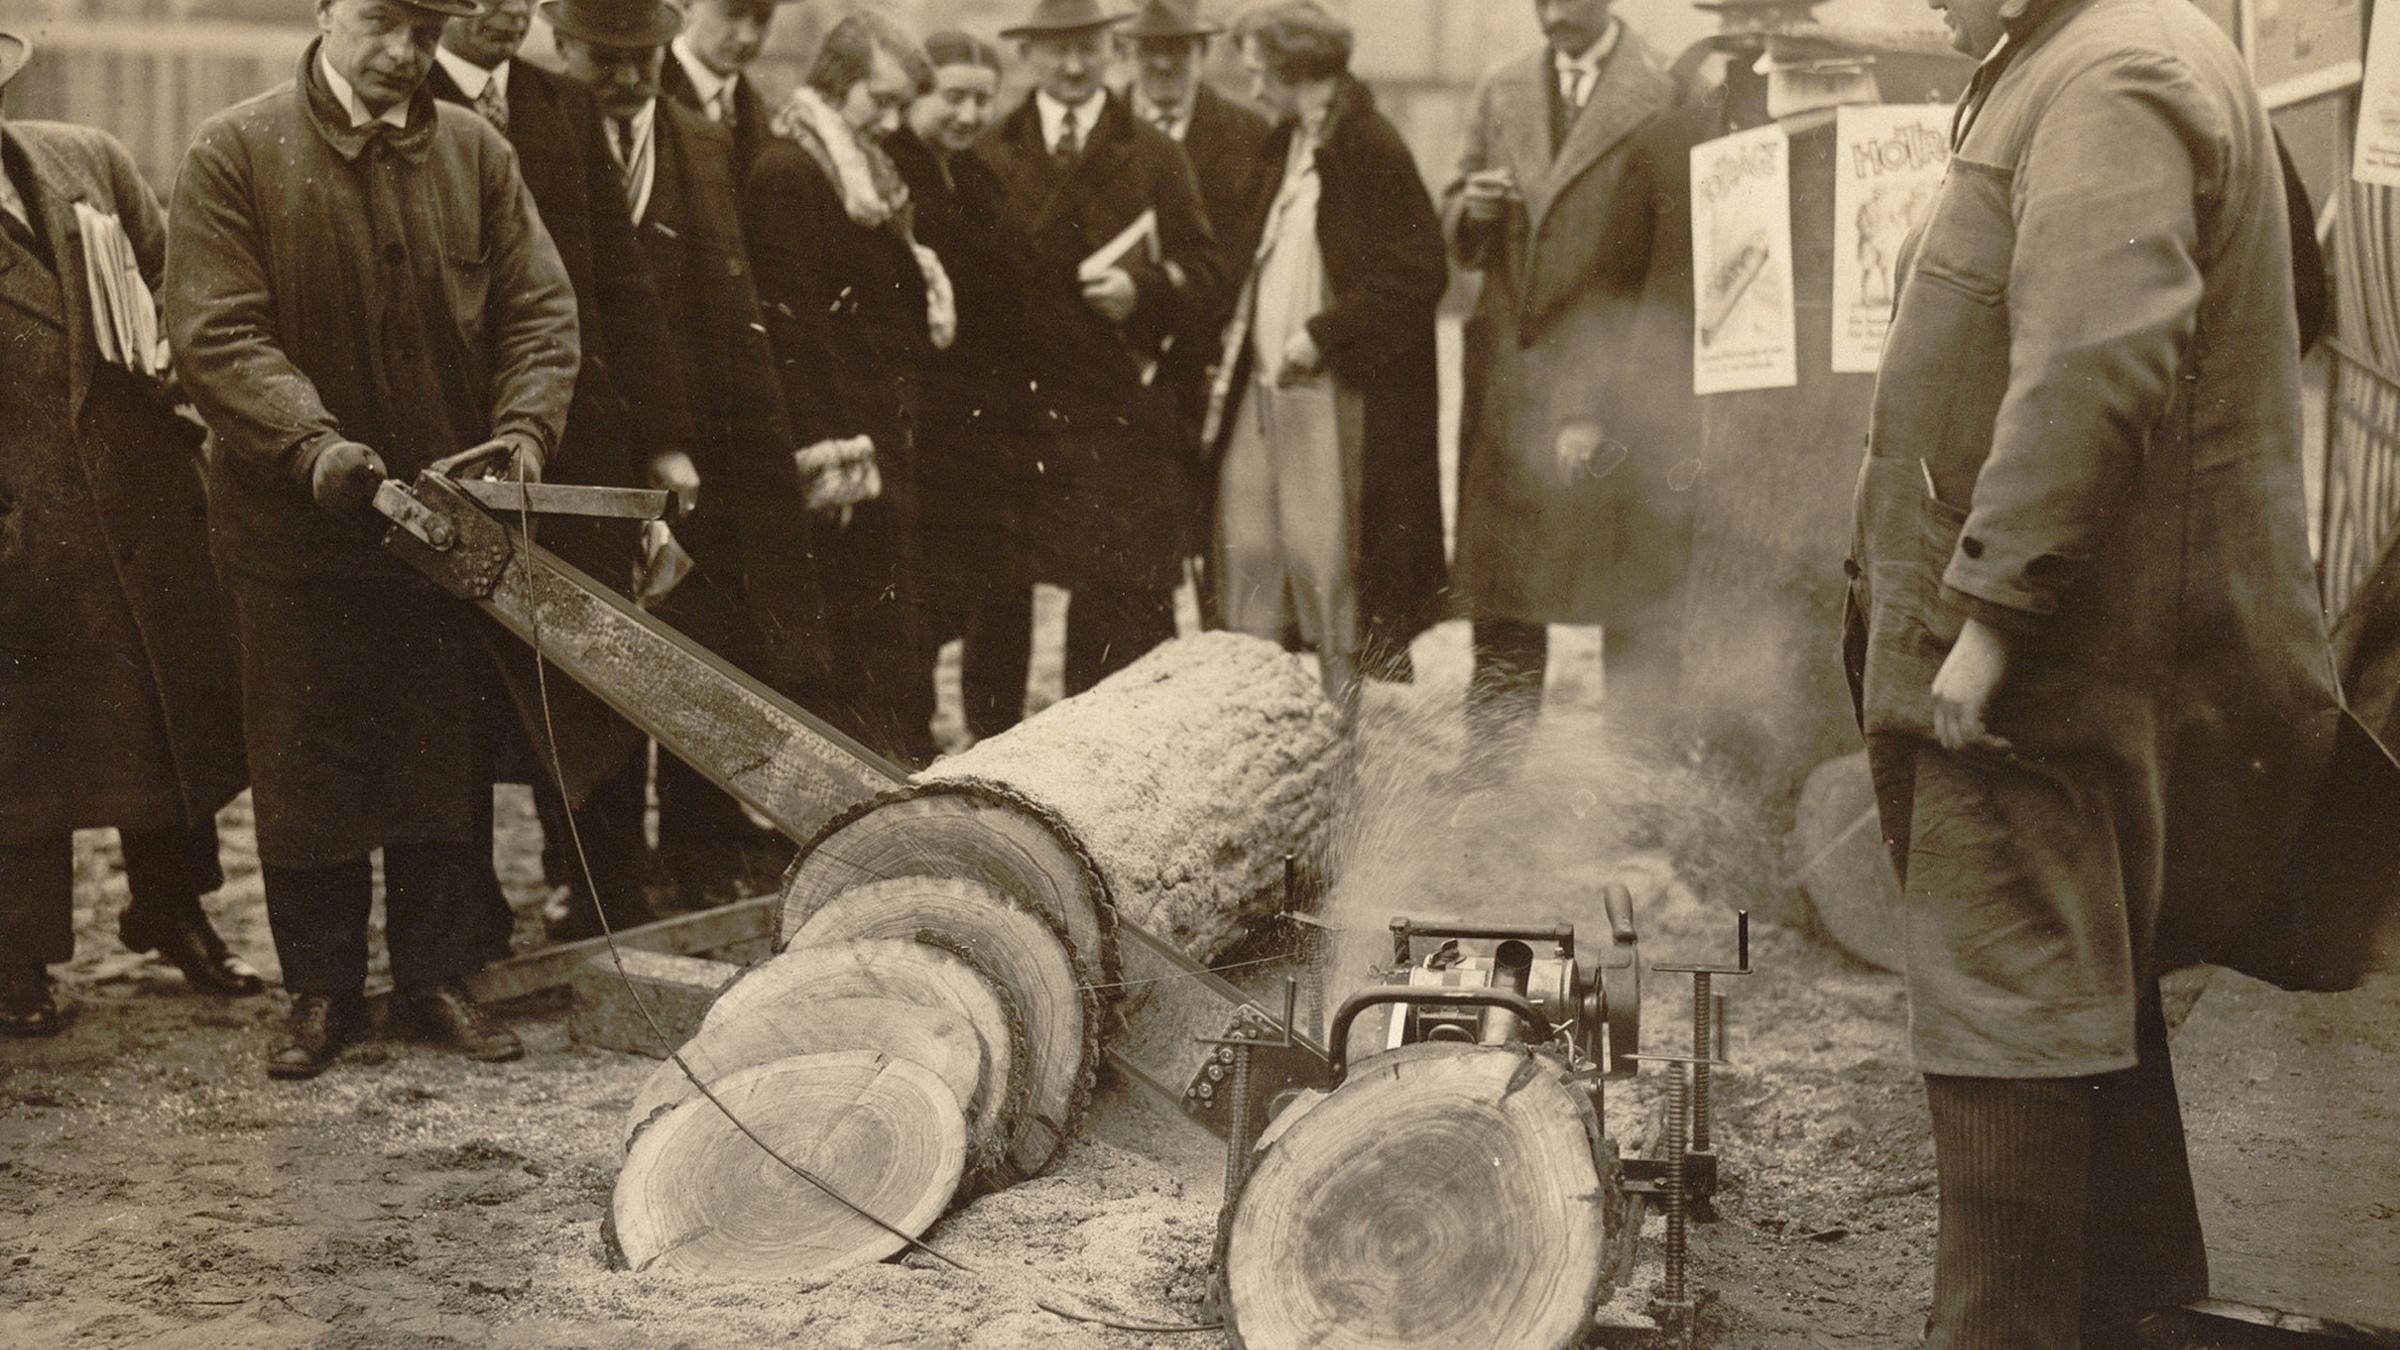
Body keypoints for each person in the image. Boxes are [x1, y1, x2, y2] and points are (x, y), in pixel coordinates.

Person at [1845, 0, 2353, 1339]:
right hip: (2075, 660)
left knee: (2008, 1020)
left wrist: (1995, 614)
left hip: (2038, 689)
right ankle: (2137, 1317)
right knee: (2083, 1014)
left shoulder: (2114, 75)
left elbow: (2093, 361)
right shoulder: (2113, 53)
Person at [165, 0, 580, 1079]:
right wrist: (311, 447)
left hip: (444, 526)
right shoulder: (236, 152)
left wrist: (524, 435)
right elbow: (218, 328)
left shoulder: (477, 152)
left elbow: (540, 312)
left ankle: (435, 978)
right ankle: (320, 992)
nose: (403, 54)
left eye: (423, 30)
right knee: (306, 762)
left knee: (438, 752)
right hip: (295, 526)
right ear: (326, 11)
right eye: (381, 24)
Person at [0, 31, 261, 1036]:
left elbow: (176, 287)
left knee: (167, 722)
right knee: (24, 747)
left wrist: (185, 403)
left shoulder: (82, 159)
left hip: (142, 501)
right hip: (26, 521)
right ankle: (17, 955)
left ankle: (172, 909)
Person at [429, 0, 694, 941]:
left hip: (576, 440)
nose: (500, 9)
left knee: (592, 675)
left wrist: (661, 439)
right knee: (452, 692)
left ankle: (601, 897)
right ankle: (463, 921)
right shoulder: (399, 99)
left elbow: (619, 280)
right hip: (449, 449)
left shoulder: (561, 104)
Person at [553, 0, 827, 896]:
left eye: (644, 61)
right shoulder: (534, 138)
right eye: (607, 61)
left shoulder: (697, 138)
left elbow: (724, 294)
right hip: (585, 438)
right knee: (596, 664)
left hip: (703, 447)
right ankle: (602, 877)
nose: (628, 81)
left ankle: (700, 851)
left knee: (707, 640)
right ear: (564, 47)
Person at [1446, 0, 1683, 756]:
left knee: (1627, 583)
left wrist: (1608, 391)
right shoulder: (1501, 87)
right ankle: (1494, 766)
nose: (1551, 10)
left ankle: (1632, 772)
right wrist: (1471, 210)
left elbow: (1661, 257)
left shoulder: (1663, 90)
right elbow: (1455, 220)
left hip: (1614, 369)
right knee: (1506, 587)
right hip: (1511, 373)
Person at [978, 0, 1224, 695]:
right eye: (1057, 50)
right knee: (1000, 597)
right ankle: (986, 759)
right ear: (1027, 55)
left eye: (1088, 46)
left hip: (1116, 412)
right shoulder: (990, 152)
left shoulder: (1152, 151)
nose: (1075, 64)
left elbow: (1207, 269)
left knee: (1121, 601)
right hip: (1016, 413)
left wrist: (1143, 289)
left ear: (1112, 49)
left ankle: (1110, 759)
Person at [1204, 2, 1447, 700]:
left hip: (1326, 395)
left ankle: (1341, 723)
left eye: (1259, 74)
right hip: (1258, 388)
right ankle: (1251, 715)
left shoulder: (1371, 145)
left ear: (1294, 70)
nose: (1252, 89)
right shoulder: (1281, 142)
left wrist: (1323, 333)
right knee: (1245, 552)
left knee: (1327, 562)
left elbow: (1419, 268)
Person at [744, 11, 942, 764]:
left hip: (877, 427)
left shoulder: (857, 168)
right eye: (880, 100)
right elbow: (795, 330)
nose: (891, 122)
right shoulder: (792, 173)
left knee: (889, 623)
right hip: (841, 444)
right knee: (858, 623)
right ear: (835, 82)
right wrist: (838, 458)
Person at [888, 32, 1040, 743]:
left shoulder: (984, 176)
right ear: (918, 93)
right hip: (924, 422)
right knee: (917, 601)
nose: (969, 114)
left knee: (1001, 593)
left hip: (989, 424)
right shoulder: (890, 173)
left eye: (983, 98)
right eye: (953, 97)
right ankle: (910, 744)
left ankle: (998, 740)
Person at [1114, 0, 1275, 617]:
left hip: (1218, 357)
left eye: (1177, 53)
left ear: (1202, 55)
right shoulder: (1106, 130)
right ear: (1128, 54)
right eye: (1149, 53)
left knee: (1223, 532)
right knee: (1141, 543)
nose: (1162, 66)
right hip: (1131, 362)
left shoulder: (1248, 133)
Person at [661, 0, 789, 183]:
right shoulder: (649, 94)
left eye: (762, 19)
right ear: (687, 6)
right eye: (733, 14)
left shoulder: (755, 109)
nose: (748, 37)